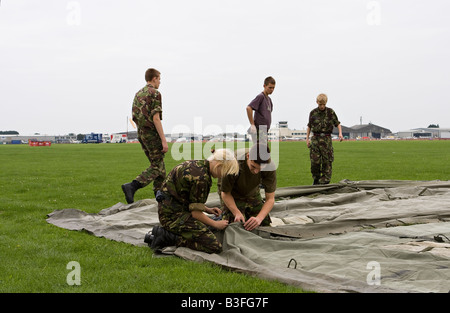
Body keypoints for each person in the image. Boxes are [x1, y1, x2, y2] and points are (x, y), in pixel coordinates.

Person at [146, 149, 239, 254]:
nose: (223, 176)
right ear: (219, 166)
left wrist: (207, 209)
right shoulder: (202, 178)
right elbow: (196, 214)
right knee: (214, 246)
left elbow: (186, 198)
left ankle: (169, 234)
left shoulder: (197, 165)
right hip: (173, 218)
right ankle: (165, 236)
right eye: (225, 172)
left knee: (206, 227)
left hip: (170, 211)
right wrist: (215, 224)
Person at [122, 68, 169, 204]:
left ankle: (160, 196)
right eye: (159, 79)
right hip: (151, 134)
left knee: (160, 166)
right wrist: (163, 140)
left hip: (141, 133)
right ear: (154, 78)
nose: (160, 82)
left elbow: (135, 116)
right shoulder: (155, 93)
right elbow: (156, 119)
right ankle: (133, 185)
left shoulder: (138, 94)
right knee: (157, 167)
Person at [218, 144, 277, 231]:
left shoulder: (270, 166)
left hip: (252, 191)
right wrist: (237, 213)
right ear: (248, 156)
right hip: (231, 193)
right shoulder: (233, 162)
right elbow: (225, 193)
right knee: (234, 226)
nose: (256, 172)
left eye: (260, 169)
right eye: (253, 166)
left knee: (264, 226)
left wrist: (259, 218)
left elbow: (270, 199)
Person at [306, 93, 343, 185]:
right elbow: (309, 126)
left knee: (327, 162)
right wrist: (307, 139)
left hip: (326, 140)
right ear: (317, 102)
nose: (322, 106)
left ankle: (325, 182)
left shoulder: (330, 112)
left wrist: (340, 133)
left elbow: (337, 123)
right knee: (315, 162)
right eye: (320, 104)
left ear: (326, 103)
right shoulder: (313, 113)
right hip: (315, 139)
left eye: (323, 104)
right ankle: (316, 179)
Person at [246, 76, 276, 144]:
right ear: (264, 86)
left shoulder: (269, 100)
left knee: (262, 152)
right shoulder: (261, 97)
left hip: (264, 130)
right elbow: (249, 108)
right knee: (261, 151)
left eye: (273, 88)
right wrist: (252, 124)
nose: (272, 90)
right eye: (270, 87)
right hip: (259, 129)